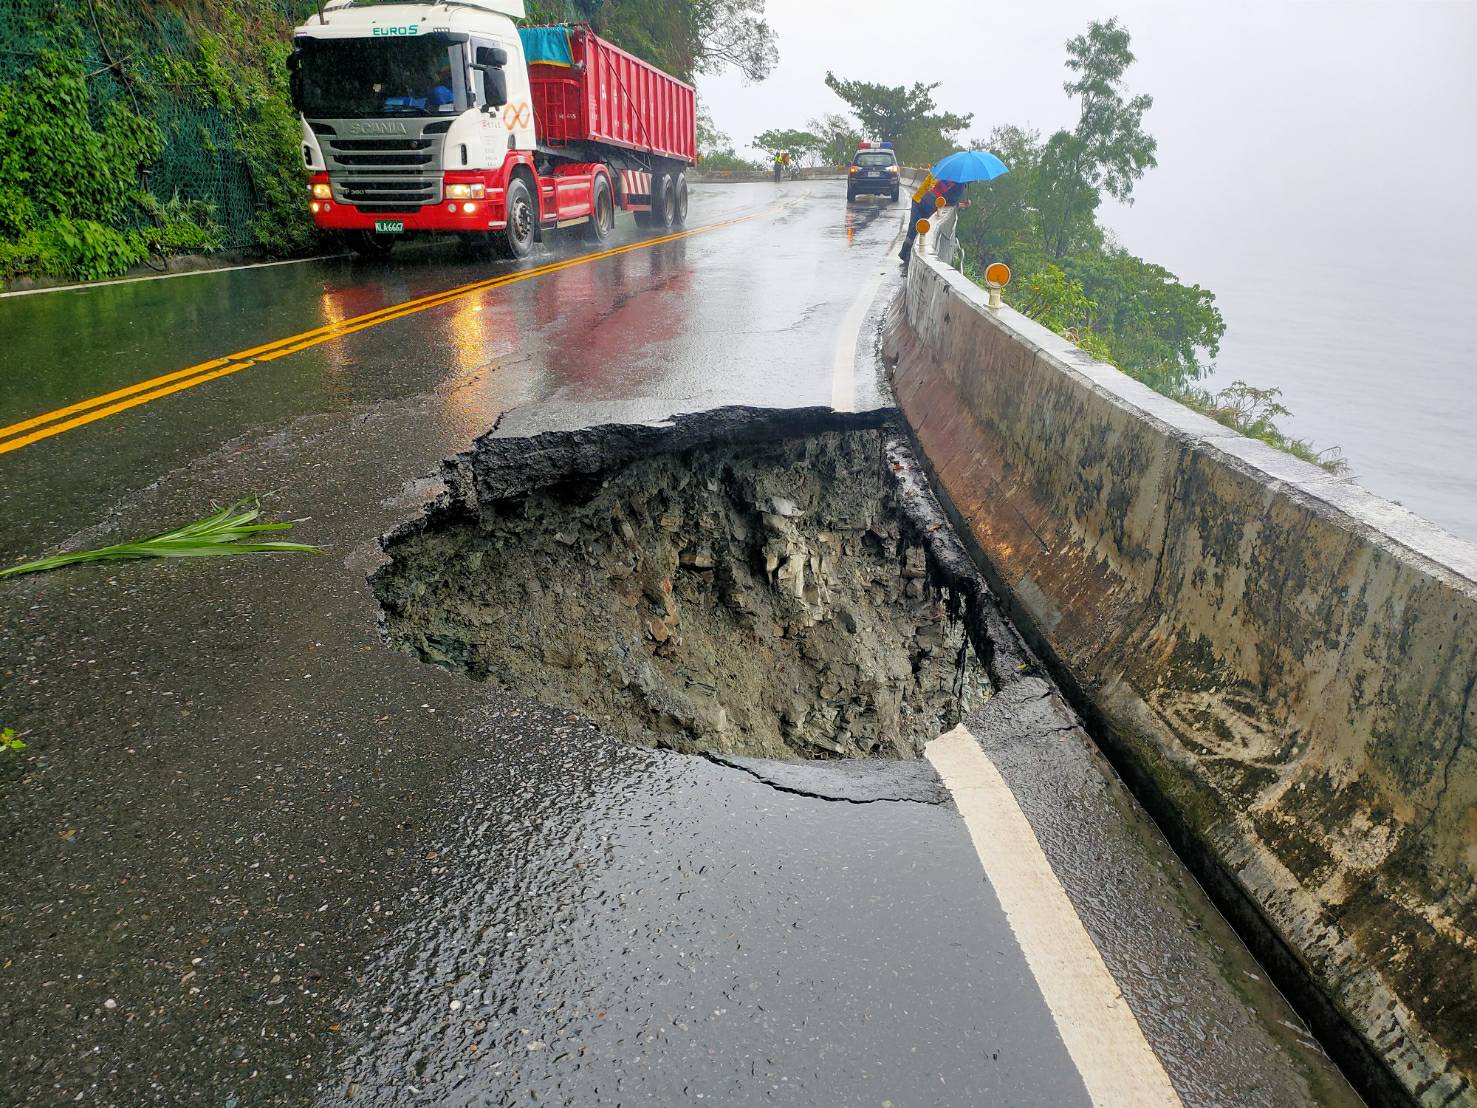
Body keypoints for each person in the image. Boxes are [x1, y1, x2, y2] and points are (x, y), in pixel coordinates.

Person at [899, 178, 972, 263]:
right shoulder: (959, 184)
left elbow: (943, 196)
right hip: (924, 201)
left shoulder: (948, 176)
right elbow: (950, 201)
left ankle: (905, 254)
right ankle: (906, 255)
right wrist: (960, 204)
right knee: (918, 230)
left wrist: (960, 205)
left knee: (916, 229)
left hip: (924, 199)